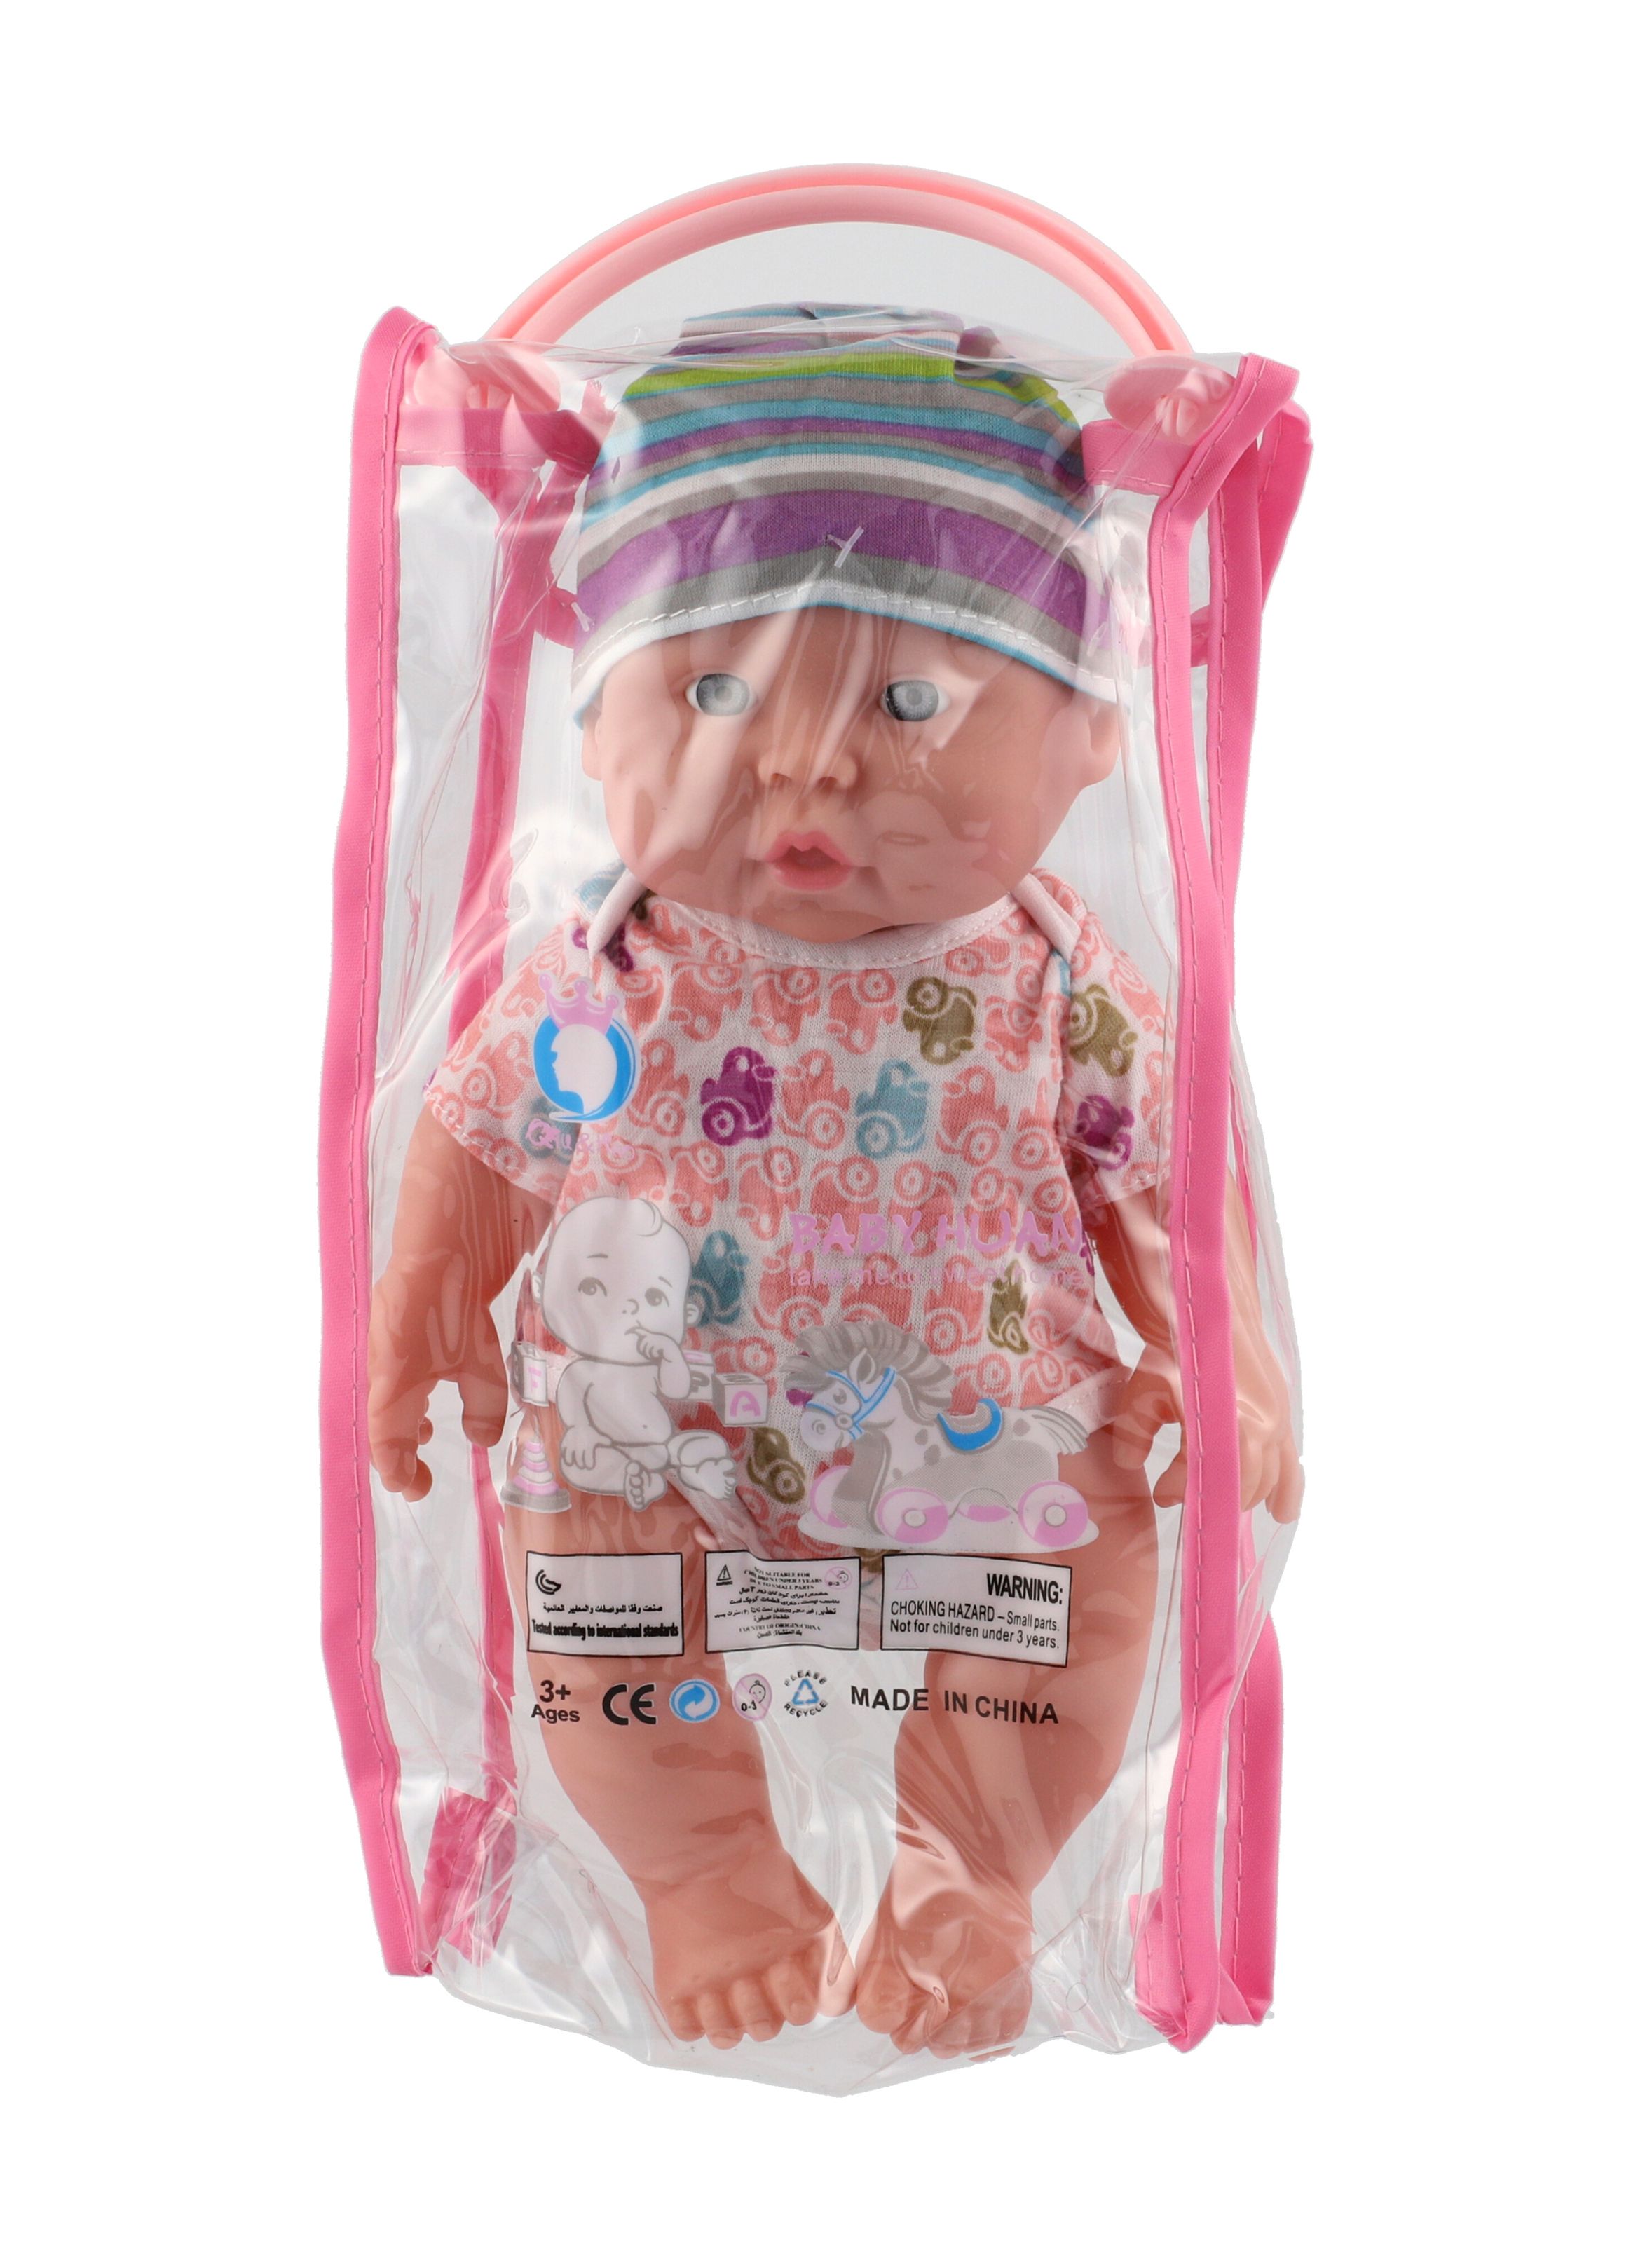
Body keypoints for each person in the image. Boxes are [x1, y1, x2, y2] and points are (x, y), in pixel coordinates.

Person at [367, 309, 1300, 2059]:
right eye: (713, 692)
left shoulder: (1049, 972)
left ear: (1088, 733)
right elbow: (485, 1134)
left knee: (1092, 1565)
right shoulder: (615, 964)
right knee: (590, 1586)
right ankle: (704, 1862)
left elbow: (1167, 1177)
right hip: (656, 1438)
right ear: (598, 727)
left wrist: (1221, 1341)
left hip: (987, 1434)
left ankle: (973, 1867)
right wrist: (426, 1300)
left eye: (912, 699)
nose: (803, 763)